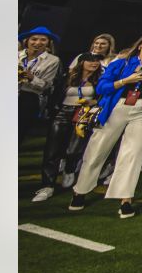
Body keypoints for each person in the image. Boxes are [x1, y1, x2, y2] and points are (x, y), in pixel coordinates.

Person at [68, 33, 142, 218]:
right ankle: (80, 191)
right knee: (97, 149)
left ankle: (125, 199)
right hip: (117, 106)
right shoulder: (122, 63)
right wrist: (126, 81)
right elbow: (101, 87)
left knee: (133, 154)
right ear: (140, 44)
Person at [33, 53, 103, 202]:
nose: (94, 63)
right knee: (52, 149)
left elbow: (104, 97)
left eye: (97, 61)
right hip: (63, 112)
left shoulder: (100, 79)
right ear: (82, 61)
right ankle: (47, 186)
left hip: (85, 114)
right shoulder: (68, 76)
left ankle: (69, 168)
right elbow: (55, 94)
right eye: (91, 60)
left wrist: (94, 103)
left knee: (74, 148)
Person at [19, 26, 62, 140]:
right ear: (27, 41)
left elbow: (45, 85)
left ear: (48, 42)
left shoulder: (53, 60)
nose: (38, 42)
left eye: (43, 39)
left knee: (19, 131)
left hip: (28, 98)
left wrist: (31, 77)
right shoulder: (17, 55)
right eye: (34, 39)